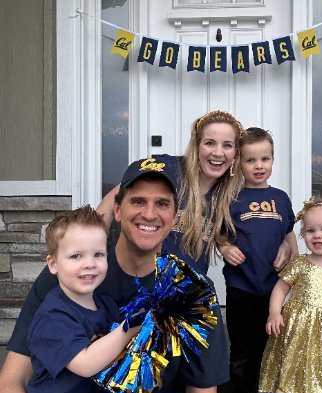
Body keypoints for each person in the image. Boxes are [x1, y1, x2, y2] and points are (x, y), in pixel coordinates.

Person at [0, 158, 229, 393]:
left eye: (162, 204)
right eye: (138, 201)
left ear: (174, 217)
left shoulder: (192, 290)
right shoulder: (71, 275)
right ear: (117, 210)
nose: (150, 214)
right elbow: (12, 379)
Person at [97, 110, 291, 275]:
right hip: (141, 282)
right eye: (209, 143)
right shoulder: (168, 168)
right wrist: (92, 249)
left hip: (189, 293)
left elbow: (263, 225)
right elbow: (114, 199)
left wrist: (285, 244)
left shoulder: (231, 194)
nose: (218, 152)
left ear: (235, 154)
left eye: (227, 145)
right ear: (197, 145)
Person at [26, 205, 141, 393]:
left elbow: (121, 353)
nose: (89, 263)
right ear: (53, 264)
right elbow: (85, 364)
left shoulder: (106, 305)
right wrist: (129, 327)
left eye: (98, 254)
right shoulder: (53, 315)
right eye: (76, 256)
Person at [218, 127, 298, 393]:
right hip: (241, 286)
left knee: (271, 344)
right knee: (242, 346)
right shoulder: (231, 198)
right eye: (250, 160)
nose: (258, 165)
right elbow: (217, 234)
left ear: (273, 160)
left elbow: (289, 234)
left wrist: (288, 249)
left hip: (273, 288)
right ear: (238, 163)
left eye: (264, 159)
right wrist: (225, 247)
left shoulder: (281, 198)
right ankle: (242, 391)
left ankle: (266, 391)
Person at [258, 198, 322, 393]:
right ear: (303, 234)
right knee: (292, 368)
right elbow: (280, 289)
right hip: (296, 328)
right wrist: (275, 312)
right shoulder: (301, 264)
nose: (317, 235)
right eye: (311, 230)